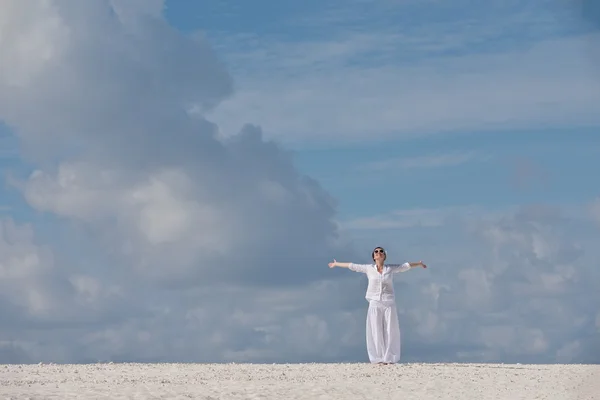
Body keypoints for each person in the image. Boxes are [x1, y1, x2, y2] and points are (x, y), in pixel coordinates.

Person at [328, 247, 426, 365]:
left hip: (389, 302)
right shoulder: (369, 269)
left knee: (390, 329)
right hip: (374, 302)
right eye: (376, 252)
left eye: (381, 251)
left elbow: (405, 266)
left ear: (384, 256)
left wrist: (419, 264)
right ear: (374, 257)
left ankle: (389, 358)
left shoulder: (390, 268)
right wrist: (336, 263)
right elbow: (352, 266)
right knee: (375, 330)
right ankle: (378, 358)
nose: (379, 253)